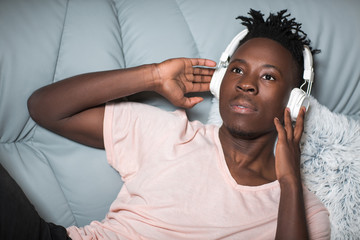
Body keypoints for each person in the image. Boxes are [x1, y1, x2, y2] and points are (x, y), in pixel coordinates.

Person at [1, 9, 330, 239]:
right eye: (238, 70)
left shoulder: (304, 210)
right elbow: (45, 108)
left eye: (268, 76)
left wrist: (289, 181)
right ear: (220, 81)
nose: (246, 84)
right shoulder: (171, 133)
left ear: (294, 100)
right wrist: (153, 75)